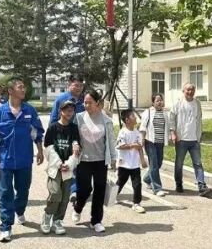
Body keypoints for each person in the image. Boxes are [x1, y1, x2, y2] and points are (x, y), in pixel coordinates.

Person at [0, 77, 44, 243]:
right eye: (20, 87)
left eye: (24, 87)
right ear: (10, 91)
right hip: (5, 160)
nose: (24, 89)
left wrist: (40, 150)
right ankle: (6, 226)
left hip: (25, 159)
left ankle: (20, 210)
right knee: (5, 192)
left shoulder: (29, 111)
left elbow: (37, 132)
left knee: (23, 190)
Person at [72, 88, 117, 234]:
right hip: (83, 160)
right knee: (84, 189)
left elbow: (111, 140)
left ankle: (96, 221)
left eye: (89, 102)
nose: (86, 105)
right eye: (85, 103)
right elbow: (73, 135)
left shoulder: (106, 120)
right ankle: (78, 207)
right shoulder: (79, 117)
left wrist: (113, 158)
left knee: (99, 190)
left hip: (100, 161)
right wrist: (75, 144)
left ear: (97, 103)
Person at [42, 99, 81, 234]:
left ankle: (57, 221)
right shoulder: (53, 128)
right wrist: (59, 164)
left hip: (68, 168)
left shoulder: (74, 128)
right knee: (55, 194)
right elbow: (48, 148)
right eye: (67, 110)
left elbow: (76, 148)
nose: (70, 113)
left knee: (65, 197)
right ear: (61, 111)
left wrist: (69, 163)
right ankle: (47, 217)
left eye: (72, 110)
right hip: (55, 167)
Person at [171, 82, 212, 197]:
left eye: (192, 90)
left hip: (194, 140)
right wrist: (173, 132)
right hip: (181, 139)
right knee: (179, 164)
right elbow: (171, 118)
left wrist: (199, 135)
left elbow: (199, 119)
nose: (190, 92)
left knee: (198, 163)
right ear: (183, 91)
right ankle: (179, 184)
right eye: (188, 90)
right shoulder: (178, 103)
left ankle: (202, 186)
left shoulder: (197, 103)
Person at [139, 93, 171, 198]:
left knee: (159, 163)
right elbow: (143, 127)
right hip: (150, 141)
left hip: (160, 142)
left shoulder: (165, 113)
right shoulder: (148, 112)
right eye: (157, 100)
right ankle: (157, 188)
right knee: (154, 164)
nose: (160, 102)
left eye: (161, 100)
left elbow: (168, 127)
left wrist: (170, 137)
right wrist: (142, 139)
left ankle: (147, 179)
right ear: (153, 102)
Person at [115, 108, 147, 213]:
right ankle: (112, 196)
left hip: (135, 164)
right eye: (133, 116)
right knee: (120, 182)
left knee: (137, 184)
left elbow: (140, 147)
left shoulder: (137, 133)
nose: (135, 118)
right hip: (124, 164)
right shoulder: (122, 132)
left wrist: (142, 160)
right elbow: (120, 146)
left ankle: (136, 203)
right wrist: (132, 145)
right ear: (127, 120)